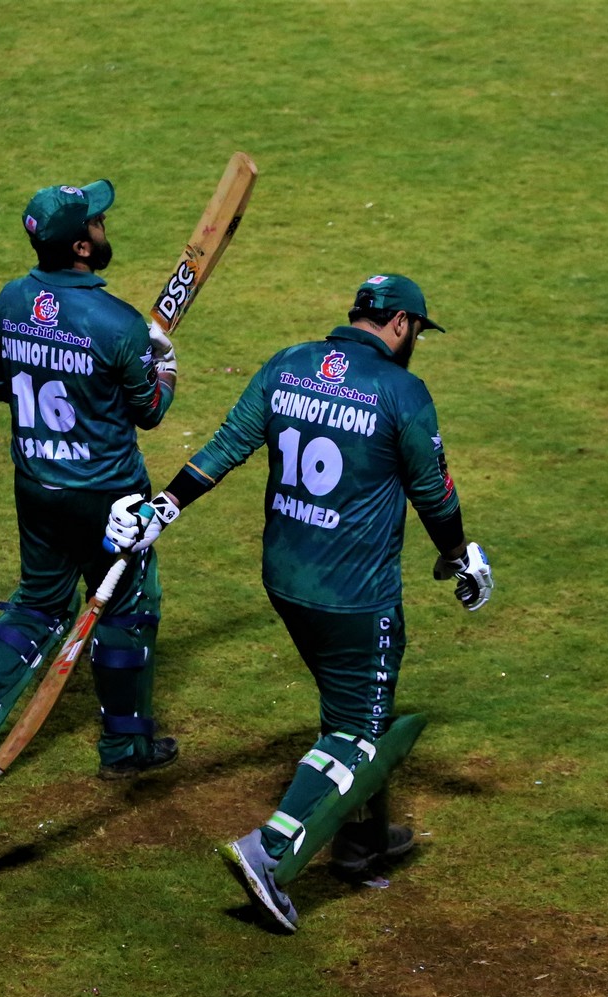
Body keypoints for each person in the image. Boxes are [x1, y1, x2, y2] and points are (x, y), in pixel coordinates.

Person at [106, 273, 493, 932]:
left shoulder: (288, 364)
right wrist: (460, 556)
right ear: (401, 324)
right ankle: (271, 851)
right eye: (417, 332)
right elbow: (433, 491)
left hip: (285, 581)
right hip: (355, 595)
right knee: (362, 730)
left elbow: (225, 446)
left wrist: (161, 508)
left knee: (349, 706)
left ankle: (361, 840)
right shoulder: (401, 391)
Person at [0, 179, 181, 803]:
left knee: (36, 605)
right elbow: (150, 410)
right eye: (95, 221)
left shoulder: (9, 300)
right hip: (111, 497)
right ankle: (125, 748)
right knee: (127, 607)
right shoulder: (117, 322)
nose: (103, 225)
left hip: (37, 488)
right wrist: (163, 366)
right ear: (81, 247)